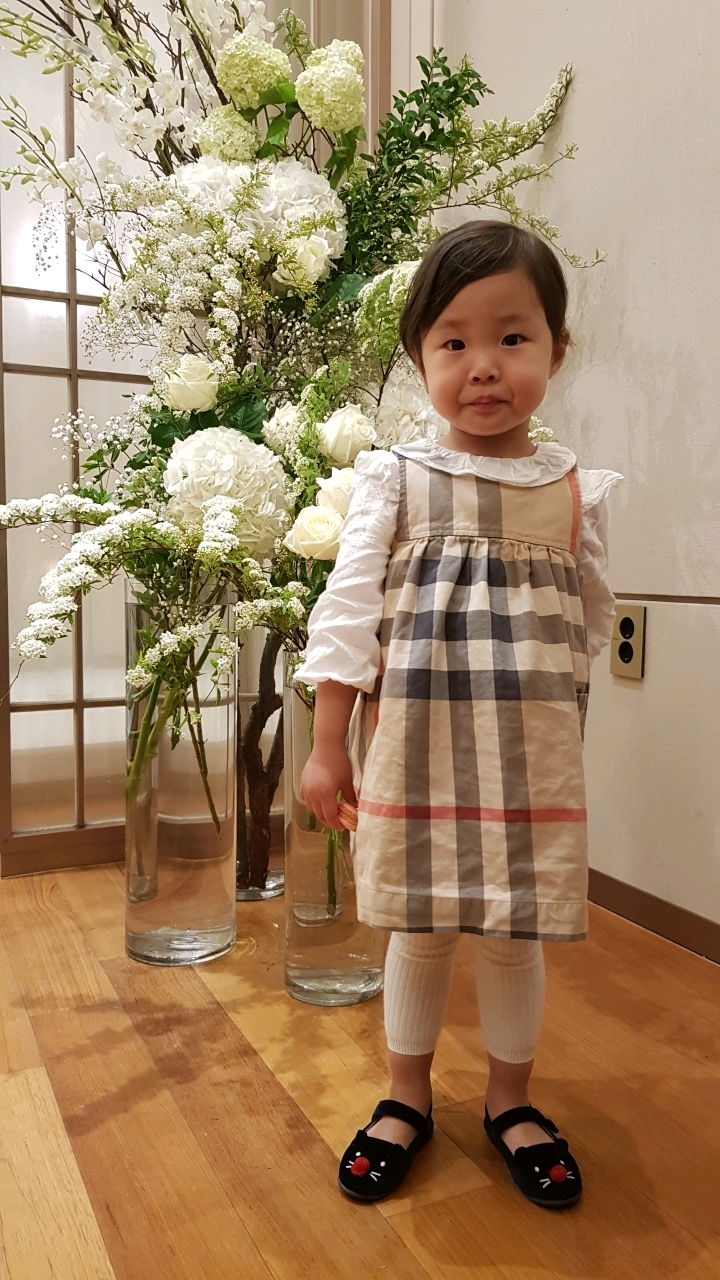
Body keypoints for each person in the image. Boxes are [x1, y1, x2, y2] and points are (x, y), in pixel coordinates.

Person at [295, 220, 622, 1209]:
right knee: (422, 924)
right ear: (420, 358)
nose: (484, 365)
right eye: (454, 341)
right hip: (417, 749)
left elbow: (586, 626)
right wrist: (326, 745)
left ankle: (510, 1101)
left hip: (529, 755)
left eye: (512, 337)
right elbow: (348, 615)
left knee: (516, 932)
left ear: (556, 350)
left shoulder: (577, 491)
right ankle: (405, 1096)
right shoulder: (394, 477)